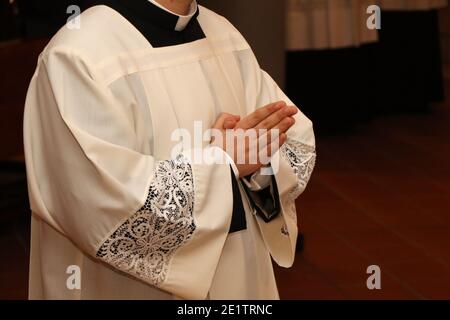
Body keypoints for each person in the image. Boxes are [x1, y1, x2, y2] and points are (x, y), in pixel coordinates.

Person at [24, 0, 316, 300]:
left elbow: (294, 144)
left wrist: (257, 164)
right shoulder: (79, 53)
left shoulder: (224, 35)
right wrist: (222, 163)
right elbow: (99, 200)